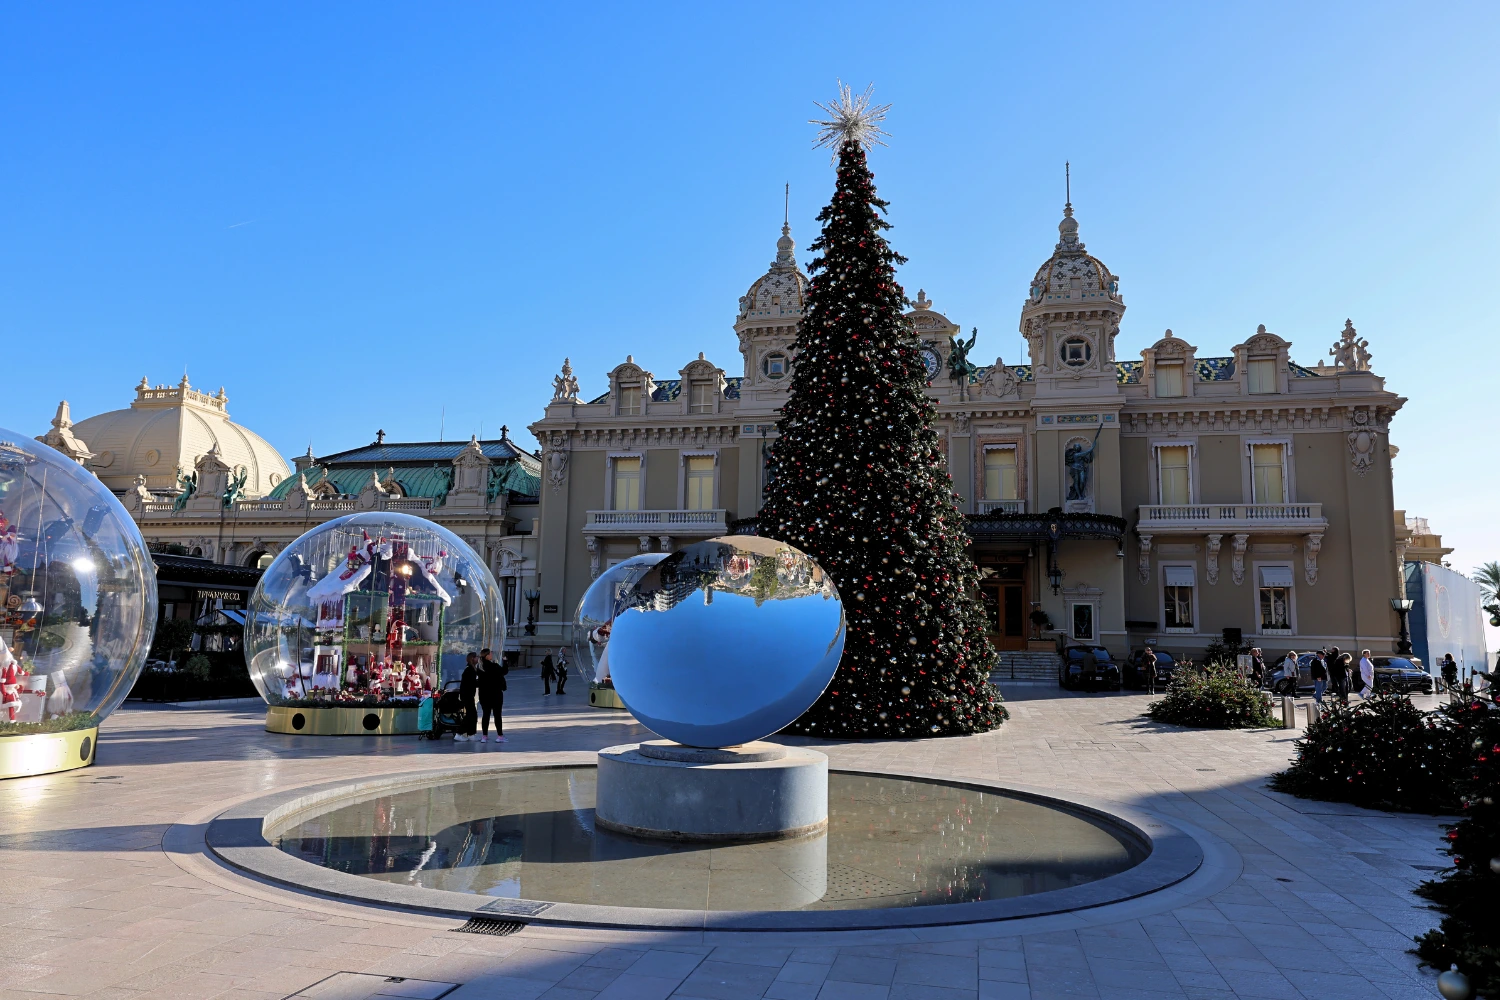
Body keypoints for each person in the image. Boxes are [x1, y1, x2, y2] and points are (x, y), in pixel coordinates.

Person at [477, 647, 507, 744]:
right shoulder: (494, 666)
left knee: (486, 715)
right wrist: (505, 661)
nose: (492, 654)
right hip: (495, 694)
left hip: (484, 694)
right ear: (487, 656)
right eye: (490, 653)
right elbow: (504, 671)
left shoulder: (480, 667)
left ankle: (484, 736)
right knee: (497, 715)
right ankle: (500, 736)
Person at [456, 652, 480, 742]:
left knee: (472, 715)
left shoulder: (472, 669)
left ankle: (471, 734)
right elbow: (472, 683)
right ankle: (459, 733)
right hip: (467, 696)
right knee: (471, 715)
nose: (477, 659)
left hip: (469, 695)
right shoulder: (469, 670)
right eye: (476, 657)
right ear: (472, 659)